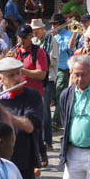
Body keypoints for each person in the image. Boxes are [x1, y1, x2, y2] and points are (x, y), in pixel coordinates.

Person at [0, 57, 44, 179]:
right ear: (0, 79)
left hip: (23, 159)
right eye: (11, 75)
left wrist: (4, 112)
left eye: (18, 73)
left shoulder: (32, 96)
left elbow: (29, 126)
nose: (17, 78)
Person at [32, 18, 59, 158]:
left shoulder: (51, 41)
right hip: (36, 78)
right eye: (33, 32)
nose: (35, 34)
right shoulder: (34, 41)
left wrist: (40, 56)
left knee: (45, 110)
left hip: (48, 78)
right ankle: (39, 139)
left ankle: (47, 140)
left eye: (37, 31)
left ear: (43, 30)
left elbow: (51, 60)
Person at [52, 13, 74, 129]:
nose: (53, 26)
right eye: (52, 24)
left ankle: (56, 120)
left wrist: (58, 36)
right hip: (53, 68)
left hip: (64, 68)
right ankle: (60, 116)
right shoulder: (53, 36)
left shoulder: (68, 34)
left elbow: (66, 48)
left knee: (59, 92)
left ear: (60, 24)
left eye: (55, 24)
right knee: (54, 95)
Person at [11, 25, 48, 96]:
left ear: (31, 36)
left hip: (34, 96)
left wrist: (21, 71)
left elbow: (42, 74)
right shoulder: (14, 51)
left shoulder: (39, 52)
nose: (21, 41)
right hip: (18, 94)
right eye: (19, 37)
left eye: (24, 38)